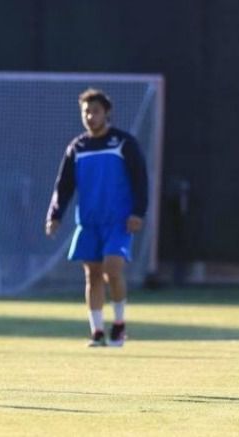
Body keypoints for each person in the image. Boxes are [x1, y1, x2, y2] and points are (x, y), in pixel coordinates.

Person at [45, 88, 148, 348]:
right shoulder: (77, 147)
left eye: (95, 111)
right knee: (92, 274)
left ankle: (120, 325)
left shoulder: (123, 143)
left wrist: (138, 212)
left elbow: (140, 180)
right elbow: (64, 185)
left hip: (118, 221)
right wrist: (55, 214)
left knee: (112, 270)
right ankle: (97, 331)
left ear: (107, 113)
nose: (90, 116)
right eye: (86, 112)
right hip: (89, 221)